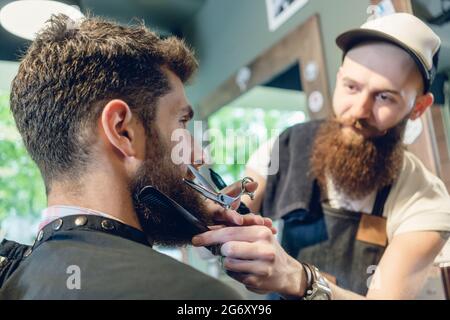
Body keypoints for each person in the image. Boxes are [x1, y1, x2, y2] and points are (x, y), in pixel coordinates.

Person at [0, 14, 270, 299]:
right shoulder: (196, 296)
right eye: (181, 123)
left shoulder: (13, 283)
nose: (198, 156)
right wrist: (303, 282)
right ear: (123, 131)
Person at [192, 13, 450, 299]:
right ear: (339, 79)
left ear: (419, 107)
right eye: (351, 87)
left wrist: (300, 279)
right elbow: (238, 209)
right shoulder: (286, 148)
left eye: (385, 97)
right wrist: (220, 219)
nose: (359, 110)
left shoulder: (425, 200)